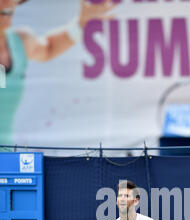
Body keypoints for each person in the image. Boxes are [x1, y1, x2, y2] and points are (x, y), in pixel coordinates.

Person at [0, 0, 115, 149]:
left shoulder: (19, 42)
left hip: (7, 158)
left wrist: (80, 25)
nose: (8, 3)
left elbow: (49, 48)